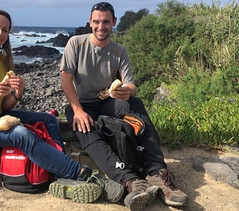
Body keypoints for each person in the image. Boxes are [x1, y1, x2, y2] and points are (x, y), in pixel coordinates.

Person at [0, 9, 124, 204]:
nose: (0, 34)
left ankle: (60, 173)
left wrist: (17, 94)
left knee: (47, 119)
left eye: (5, 30)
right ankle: (83, 175)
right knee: (20, 134)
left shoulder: (3, 60)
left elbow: (4, 107)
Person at [60, 2, 188, 210]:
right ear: (90, 22)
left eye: (106, 22)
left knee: (135, 103)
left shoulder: (119, 51)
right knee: (84, 127)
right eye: (97, 22)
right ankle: (130, 181)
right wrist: (77, 110)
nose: (101, 27)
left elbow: (131, 84)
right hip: (82, 103)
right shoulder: (76, 43)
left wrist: (127, 91)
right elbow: (66, 80)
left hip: (108, 100)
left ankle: (157, 173)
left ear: (114, 23)